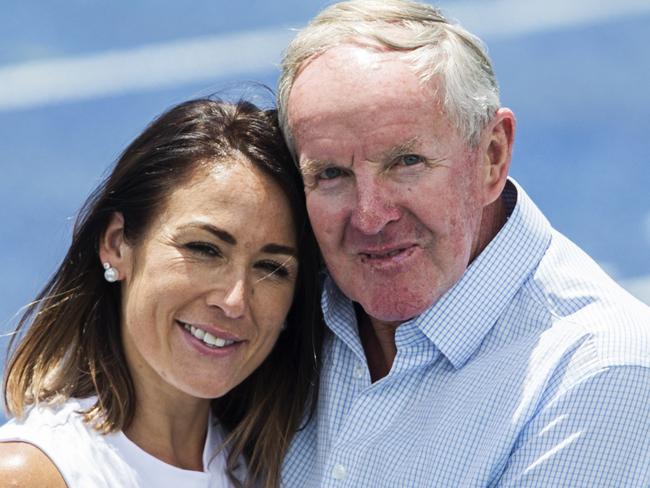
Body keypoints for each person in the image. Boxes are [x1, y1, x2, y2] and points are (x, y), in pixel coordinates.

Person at [276, 0, 650, 486]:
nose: (370, 216)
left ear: (492, 156)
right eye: (330, 174)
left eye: (406, 162)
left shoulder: (605, 374)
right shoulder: (274, 305)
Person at [0, 98, 322, 488]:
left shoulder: (269, 469)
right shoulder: (34, 473)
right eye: (204, 249)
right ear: (117, 244)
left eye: (271, 268)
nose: (235, 300)